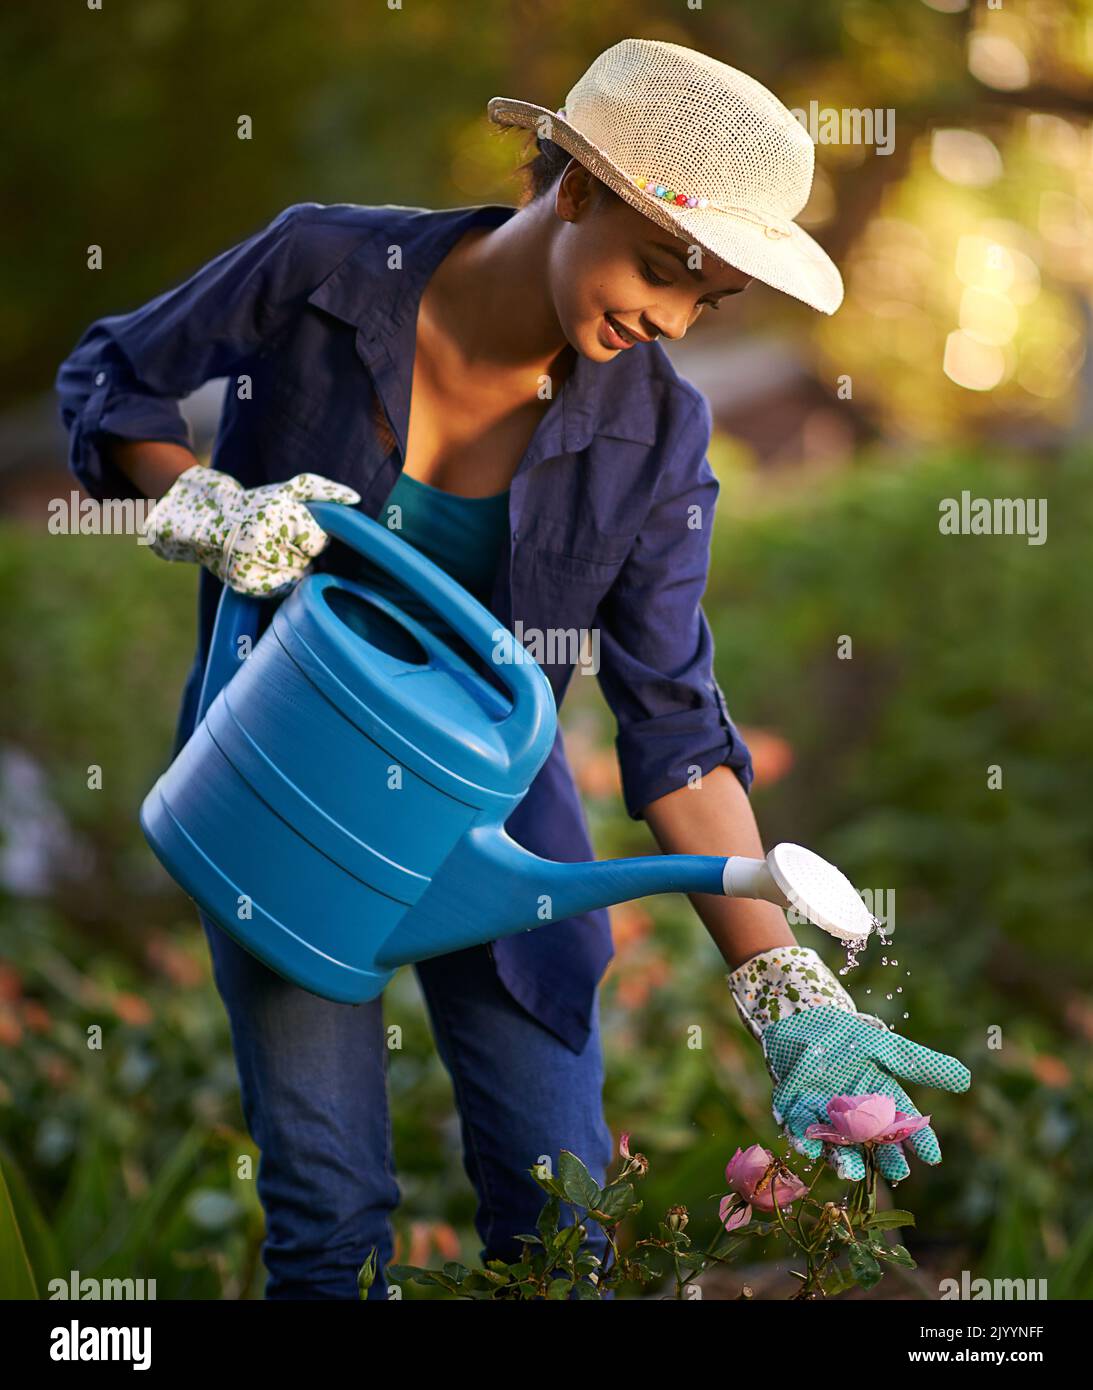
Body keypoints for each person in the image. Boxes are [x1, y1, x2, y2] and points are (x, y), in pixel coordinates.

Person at [54, 38, 971, 1300]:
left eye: (704, 300)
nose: (667, 318)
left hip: (500, 839)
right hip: (290, 798)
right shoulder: (325, 267)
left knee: (564, 1228)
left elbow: (676, 729)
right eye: (661, 267)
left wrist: (785, 988)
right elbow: (112, 381)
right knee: (329, 1224)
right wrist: (210, 505)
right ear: (575, 186)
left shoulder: (658, 433)